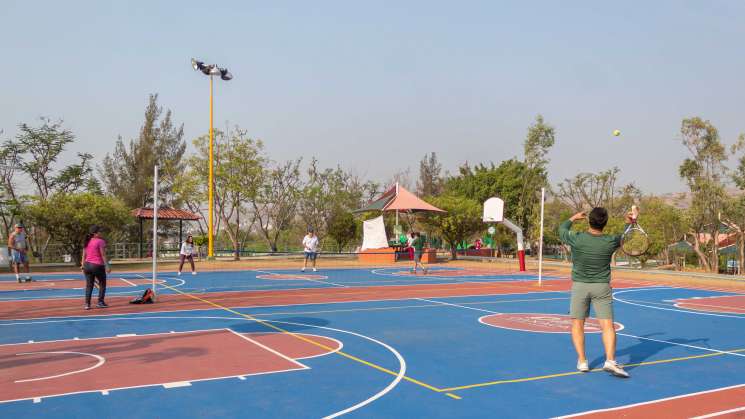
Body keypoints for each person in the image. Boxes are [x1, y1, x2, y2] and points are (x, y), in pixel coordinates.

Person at [559, 207, 633, 378]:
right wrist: (629, 223)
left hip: (580, 287)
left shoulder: (577, 238)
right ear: (605, 223)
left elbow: (561, 230)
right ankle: (610, 360)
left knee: (578, 324)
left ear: (588, 221)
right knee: (607, 325)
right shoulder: (610, 241)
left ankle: (583, 361)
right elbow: (624, 237)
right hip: (602, 287)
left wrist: (573, 218)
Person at [81, 225, 111, 310]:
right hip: (97, 265)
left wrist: (82, 265)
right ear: (95, 233)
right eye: (99, 231)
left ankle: (87, 304)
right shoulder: (100, 241)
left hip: (87, 265)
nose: (101, 233)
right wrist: (107, 266)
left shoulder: (87, 241)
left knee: (89, 285)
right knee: (102, 284)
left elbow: (84, 255)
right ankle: (100, 302)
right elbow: (103, 255)